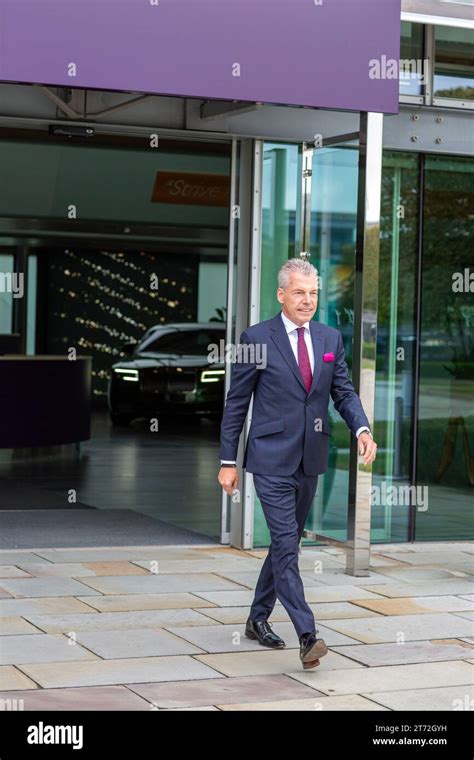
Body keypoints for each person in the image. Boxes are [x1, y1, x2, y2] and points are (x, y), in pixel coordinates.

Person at [218, 258, 377, 670]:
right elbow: (236, 403)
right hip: (270, 458)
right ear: (281, 294)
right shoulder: (256, 337)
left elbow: (343, 390)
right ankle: (308, 635)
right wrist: (227, 461)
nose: (308, 300)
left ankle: (257, 618)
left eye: (313, 293)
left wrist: (361, 428)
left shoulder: (329, 338)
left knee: (284, 545)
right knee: (288, 543)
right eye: (299, 292)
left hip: (310, 456)